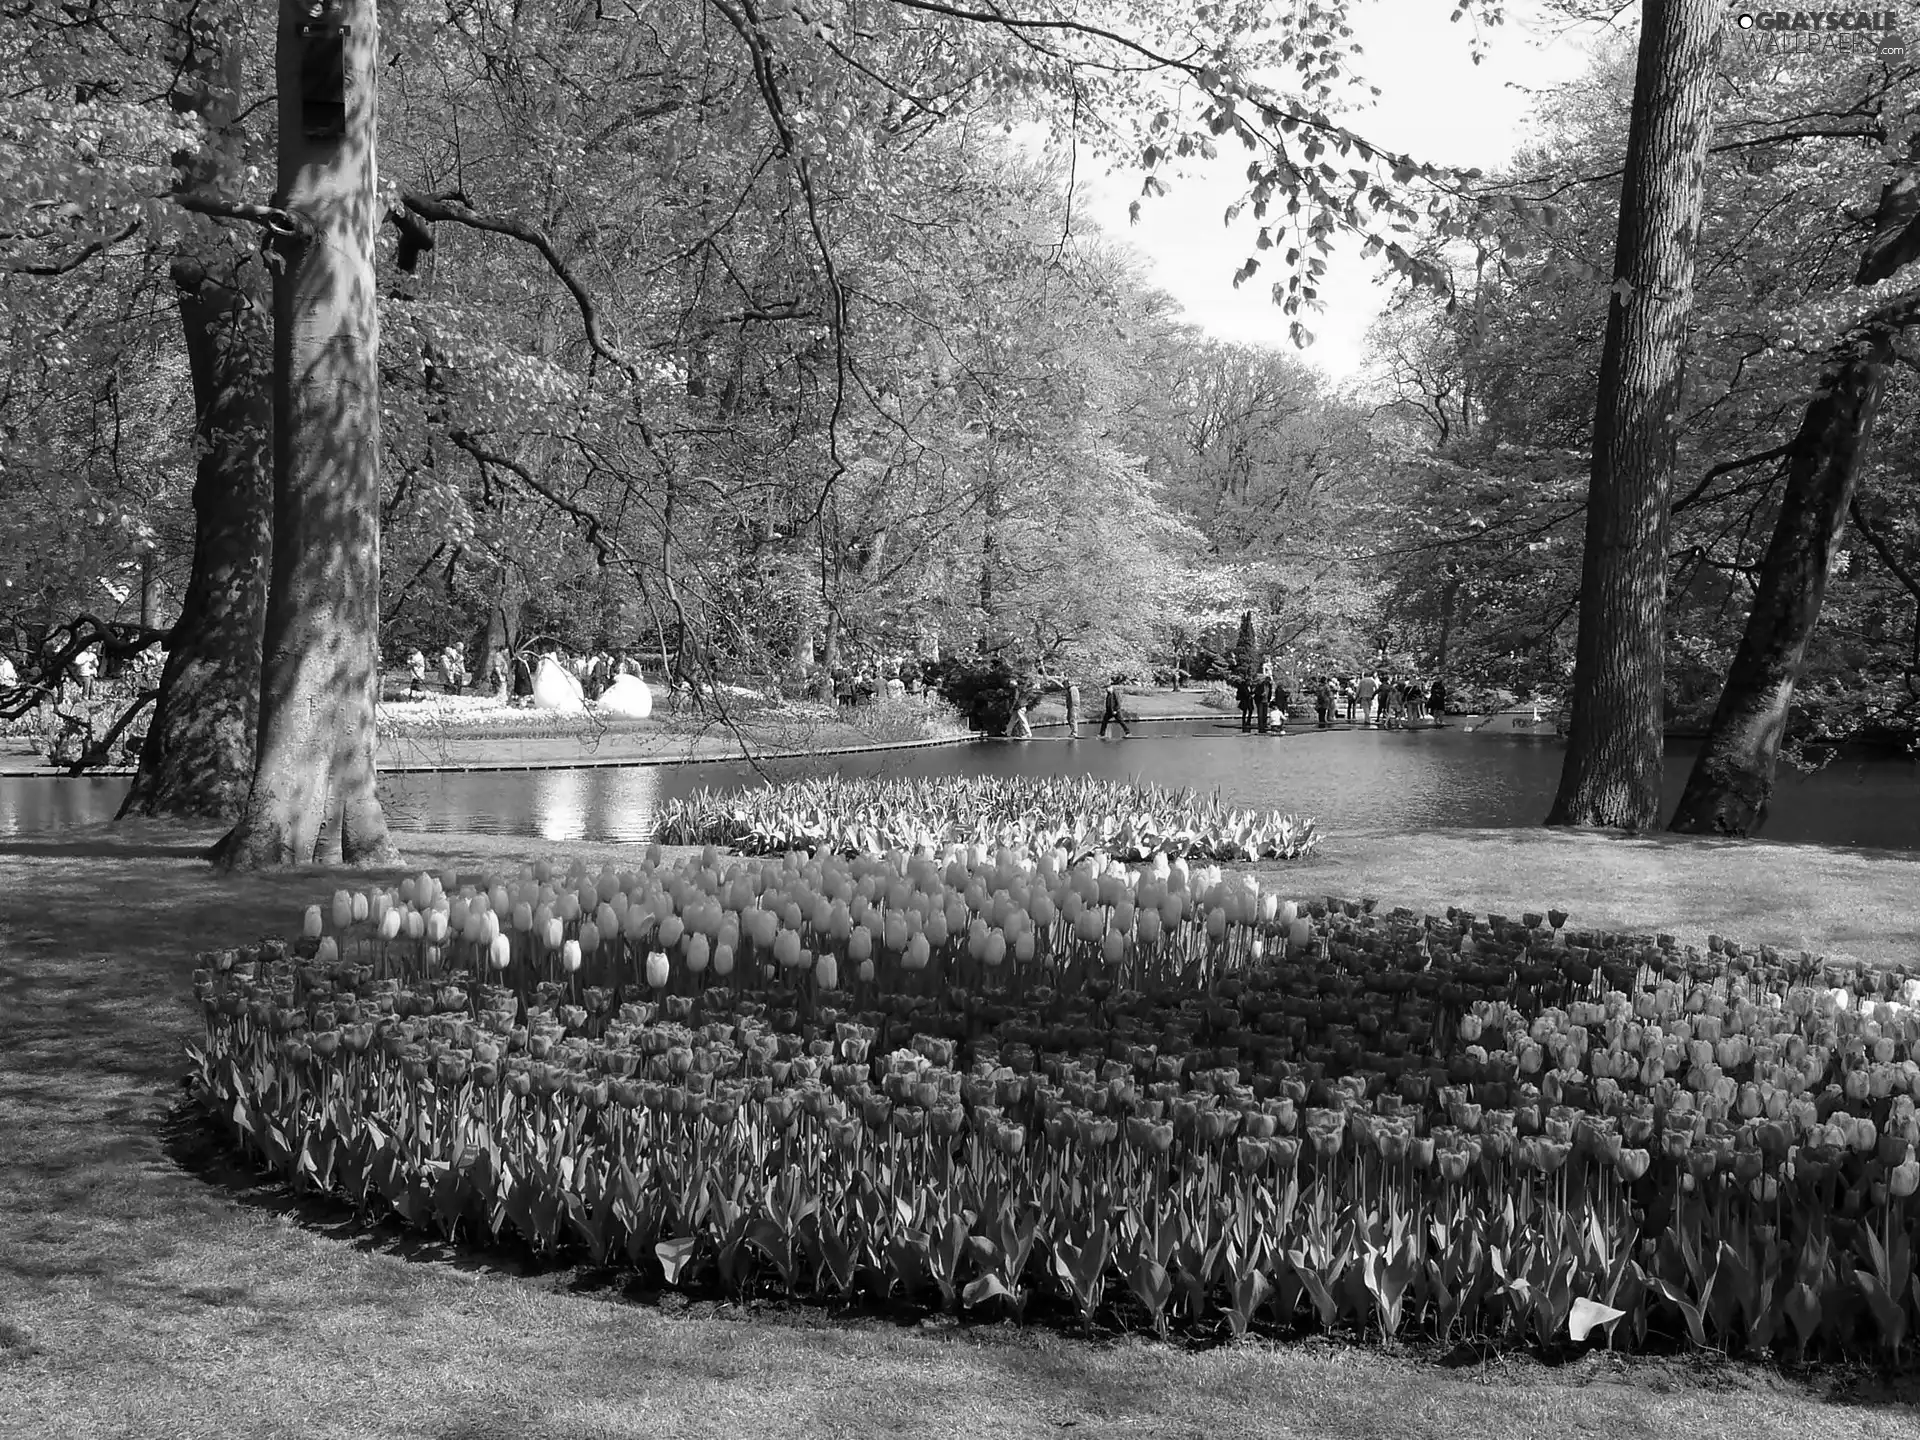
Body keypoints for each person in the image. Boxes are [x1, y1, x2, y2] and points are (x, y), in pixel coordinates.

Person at [1253, 662, 1274, 734]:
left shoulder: (1269, 686)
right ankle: (1260, 726)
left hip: (1266, 701)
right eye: (1267, 681)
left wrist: (1269, 699)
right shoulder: (1260, 685)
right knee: (1260, 714)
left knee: (1265, 714)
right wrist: (1261, 694)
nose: (1268, 682)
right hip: (1260, 701)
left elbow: (1270, 692)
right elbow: (1256, 692)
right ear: (1265, 680)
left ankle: (1264, 725)